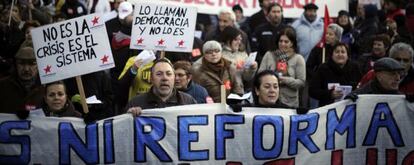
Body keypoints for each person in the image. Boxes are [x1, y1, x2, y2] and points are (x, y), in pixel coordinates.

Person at [125, 58, 197, 117]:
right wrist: (129, 117)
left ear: (174, 78)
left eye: (169, 74)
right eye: (159, 74)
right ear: (151, 79)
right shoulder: (136, 103)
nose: (164, 78)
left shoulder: (189, 102)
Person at [258, 27, 306, 108]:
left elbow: (301, 83)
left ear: (292, 43)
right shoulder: (269, 55)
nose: (283, 44)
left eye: (286, 42)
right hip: (268, 101)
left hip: (289, 102)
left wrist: (285, 80)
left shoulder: (298, 58)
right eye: (281, 41)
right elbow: (259, 76)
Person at [0, 47, 44, 117]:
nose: (26, 69)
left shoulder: (47, 87)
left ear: (38, 65)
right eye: (21, 63)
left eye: (32, 64)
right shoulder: (2, 86)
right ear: (15, 65)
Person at [220, 26, 257, 91]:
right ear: (228, 40)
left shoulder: (243, 54)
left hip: (240, 90)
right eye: (236, 39)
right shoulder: (219, 54)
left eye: (240, 39)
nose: (239, 42)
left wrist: (252, 68)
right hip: (224, 90)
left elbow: (247, 77)